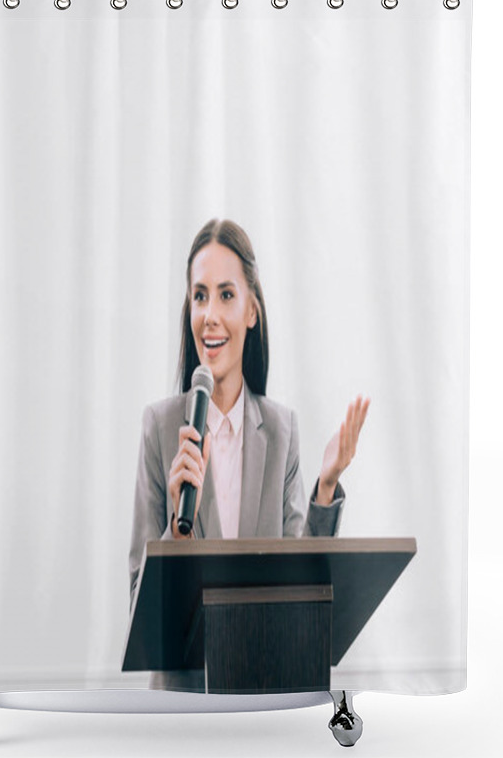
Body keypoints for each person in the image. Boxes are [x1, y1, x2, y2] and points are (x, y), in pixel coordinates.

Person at [127, 218, 370, 691]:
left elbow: (299, 581)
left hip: (262, 686)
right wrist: (175, 536)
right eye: (199, 296)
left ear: (252, 311)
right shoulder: (160, 428)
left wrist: (324, 486)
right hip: (183, 702)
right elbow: (138, 602)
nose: (210, 316)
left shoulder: (280, 430)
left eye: (225, 294)